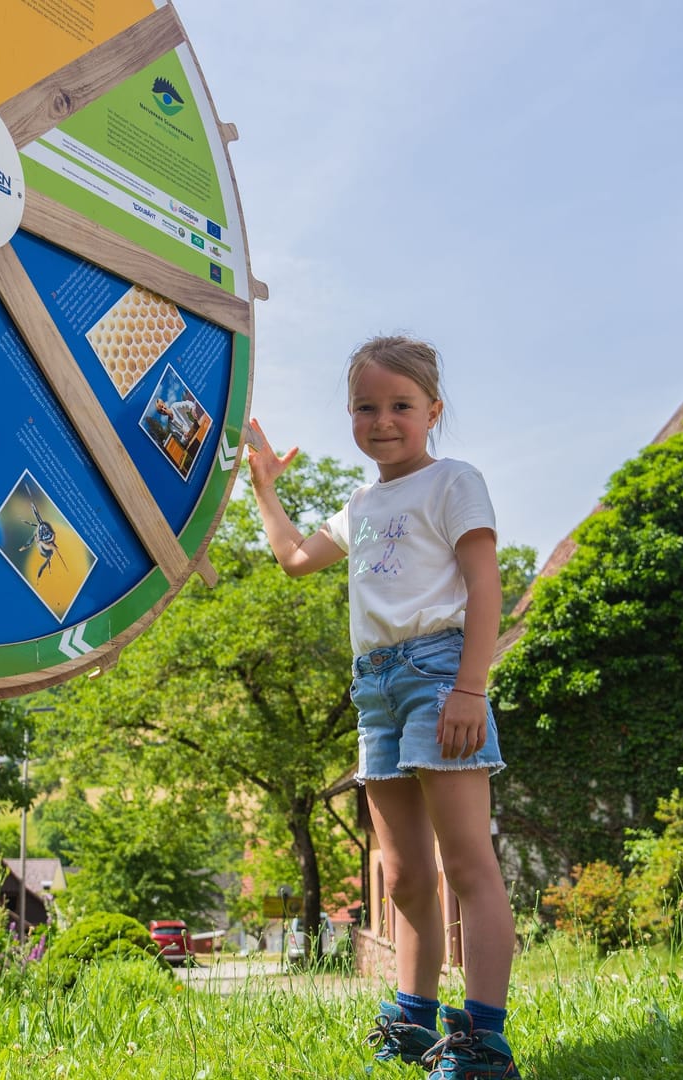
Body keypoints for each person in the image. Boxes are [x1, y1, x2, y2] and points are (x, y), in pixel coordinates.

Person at [245, 336, 519, 1078]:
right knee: (401, 875)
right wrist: (265, 488)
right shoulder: (360, 503)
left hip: (438, 675)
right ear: (350, 415)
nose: (383, 420)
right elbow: (296, 559)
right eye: (366, 407)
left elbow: (487, 589)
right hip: (376, 690)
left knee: (466, 863)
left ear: (432, 409)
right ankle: (413, 1019)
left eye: (400, 405)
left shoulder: (454, 482)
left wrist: (470, 687)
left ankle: (483, 1041)